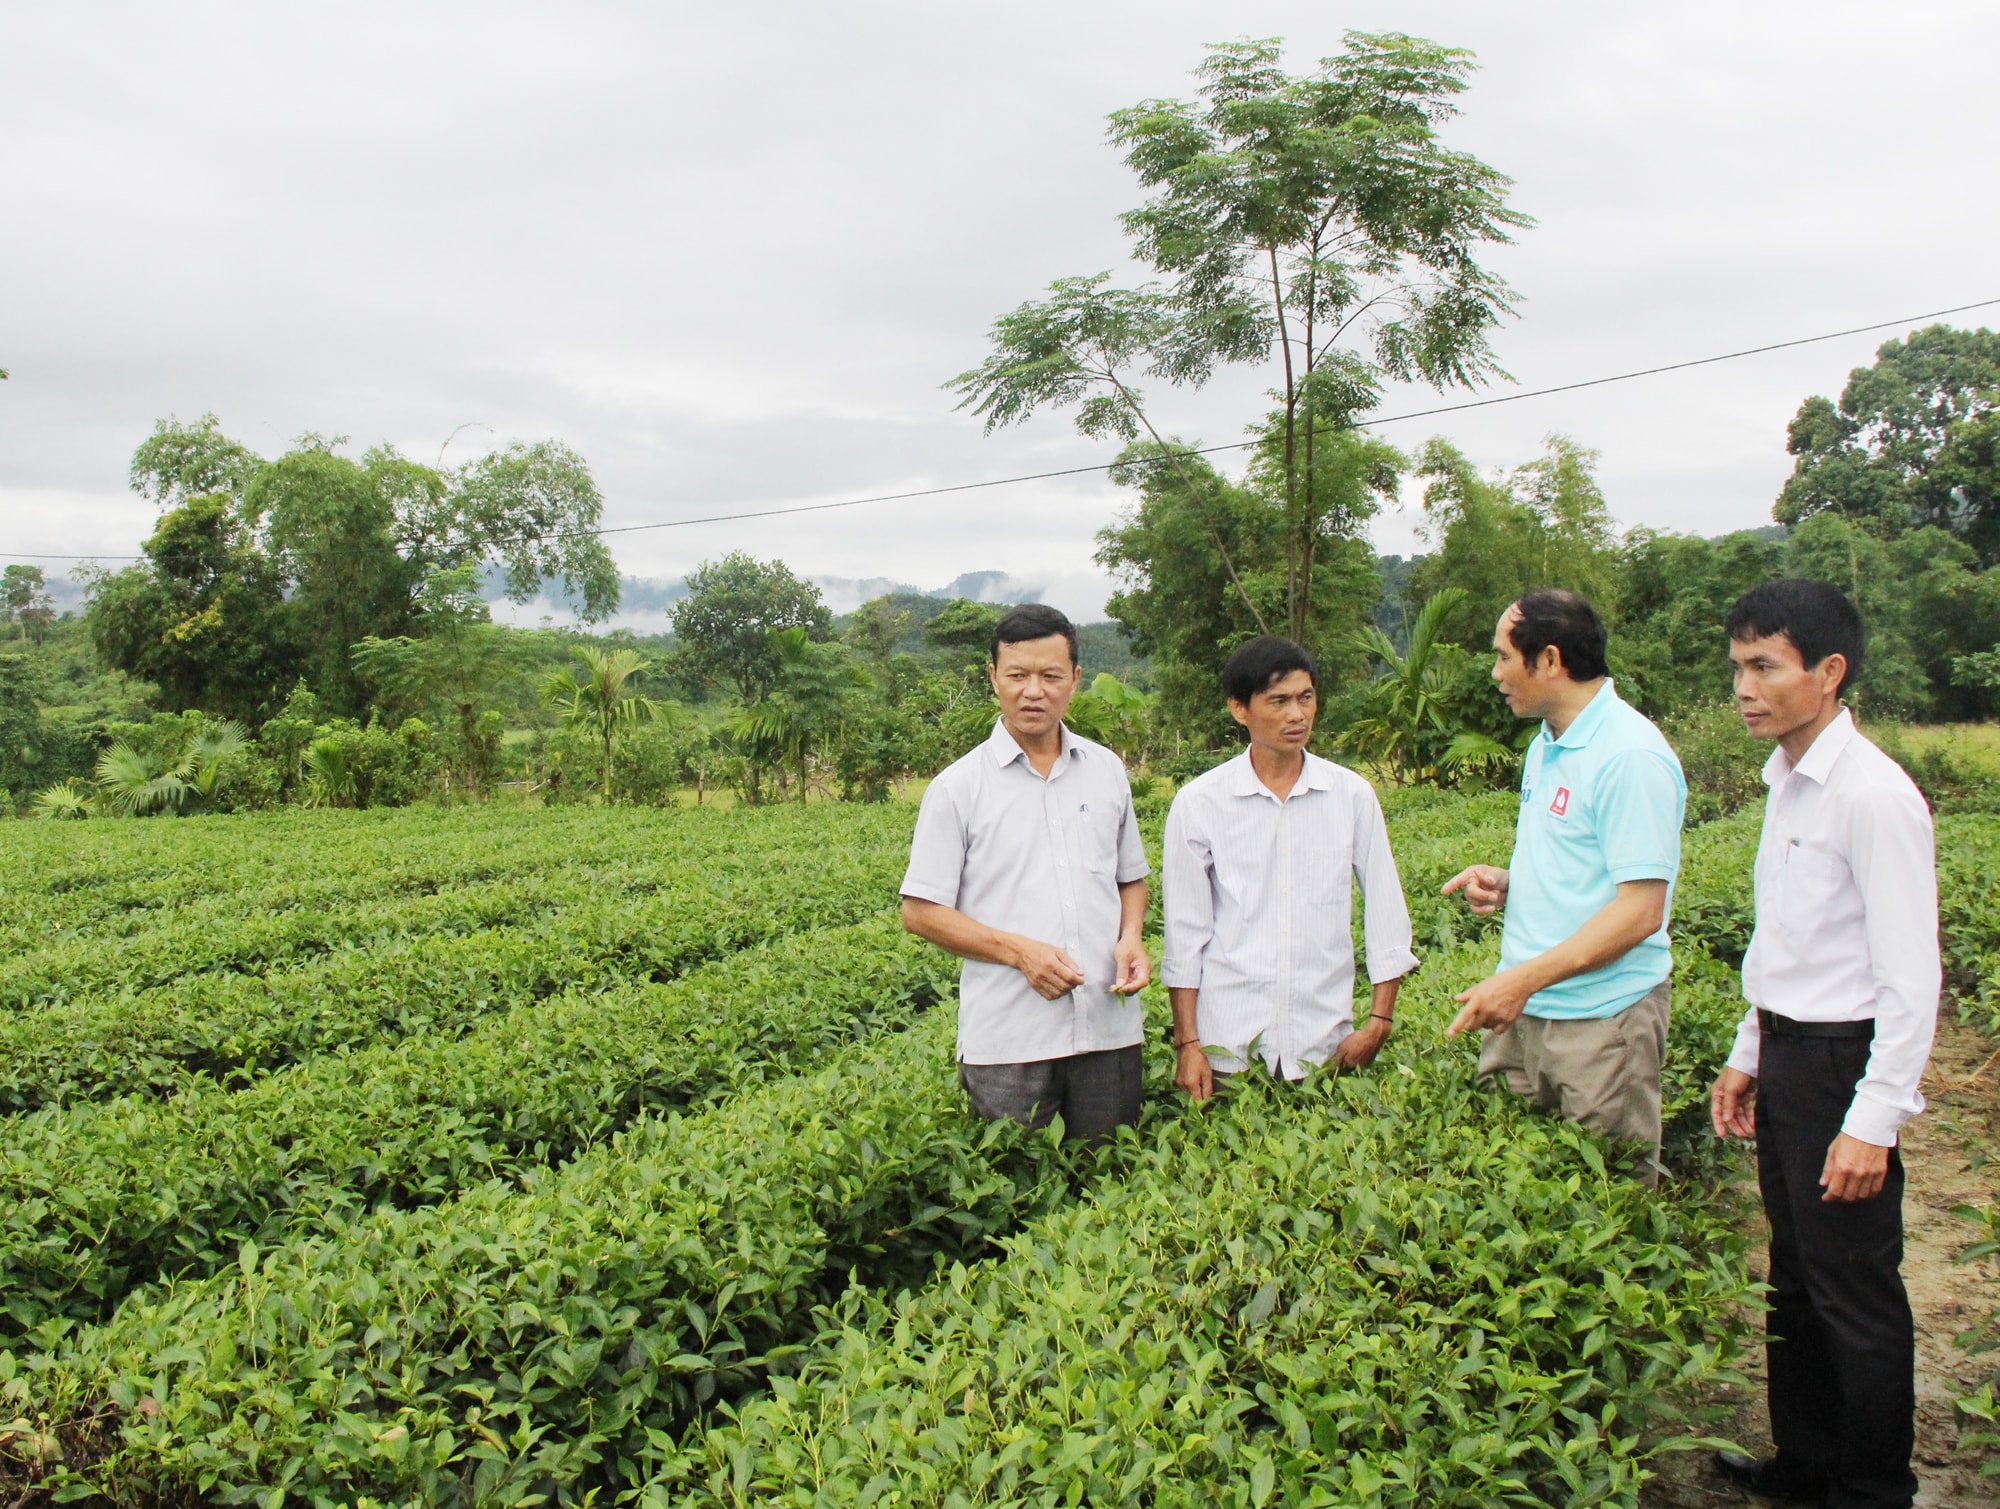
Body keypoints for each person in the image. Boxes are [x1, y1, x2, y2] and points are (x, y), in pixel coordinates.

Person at [1708, 580, 1939, 1509]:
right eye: (1738, 668)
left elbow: (1910, 979)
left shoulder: (1874, 797)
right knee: (1797, 1277)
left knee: (1856, 1292)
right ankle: (1804, 1465)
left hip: (1848, 1061)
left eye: (1764, 666)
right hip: (1792, 1053)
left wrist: (1871, 1121)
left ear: (1829, 672)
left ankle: (1875, 1488)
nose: (1744, 688)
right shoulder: (1785, 783)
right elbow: (1787, 938)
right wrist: (1747, 1048)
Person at [1443, 589, 1687, 1184]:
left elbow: (1640, 911)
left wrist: (1519, 981)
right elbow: (1585, 864)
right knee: (1524, 1198)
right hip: (1529, 1012)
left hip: (1600, 1022)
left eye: (1504, 657)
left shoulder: (1629, 755)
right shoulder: (1547, 743)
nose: (1496, 673)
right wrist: (1510, 883)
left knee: (1608, 1204)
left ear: (1549, 660)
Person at [899, 603, 1151, 1141]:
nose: (1033, 691)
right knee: (1016, 1197)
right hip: (1009, 1043)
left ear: (1075, 680)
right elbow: (920, 912)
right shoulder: (957, 787)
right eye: (1017, 675)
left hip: (1109, 1030)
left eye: (1050, 676)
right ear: (993, 678)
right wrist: (1019, 952)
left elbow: (1131, 876)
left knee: (1115, 1187)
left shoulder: (1107, 771)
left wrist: (1132, 936)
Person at [1161, 636, 1416, 1098]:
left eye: (1305, 697)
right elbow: (1185, 933)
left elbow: (1385, 909)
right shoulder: (1199, 803)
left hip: (1326, 1046)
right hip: (1227, 1050)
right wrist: (1188, 1043)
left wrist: (1379, 1023)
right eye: (1278, 701)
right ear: (1240, 709)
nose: (1297, 714)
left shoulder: (1352, 795)